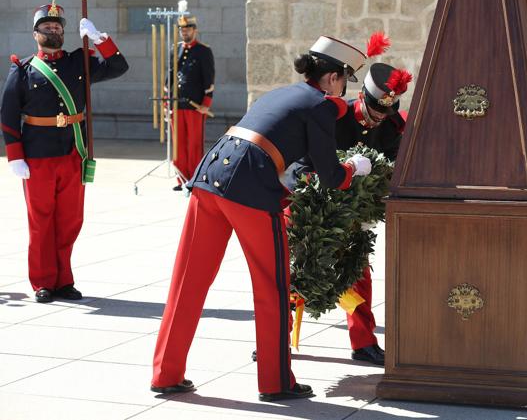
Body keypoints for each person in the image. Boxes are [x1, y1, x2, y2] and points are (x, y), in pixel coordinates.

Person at [151, 35, 373, 402]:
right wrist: (354, 167)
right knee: (273, 287)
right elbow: (331, 175)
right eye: (343, 79)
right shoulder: (321, 105)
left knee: (188, 280)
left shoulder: (280, 93)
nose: (341, 89)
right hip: (251, 185)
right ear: (332, 77)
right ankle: (275, 382)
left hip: (210, 174)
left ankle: (165, 373)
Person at [0, 0, 129, 303]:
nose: (52, 30)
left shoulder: (78, 62)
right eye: (46, 26)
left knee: (70, 221)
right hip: (38, 156)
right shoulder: (23, 70)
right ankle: (43, 281)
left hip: (73, 153)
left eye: (56, 26)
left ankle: (64, 280)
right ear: (36, 34)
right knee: (41, 223)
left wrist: (101, 40)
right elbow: (7, 113)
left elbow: (118, 67)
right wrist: (15, 156)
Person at [286, 62, 412, 366]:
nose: (380, 117)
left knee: (358, 272)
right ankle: (276, 338)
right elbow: (304, 162)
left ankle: (363, 342)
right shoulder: (335, 117)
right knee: (297, 272)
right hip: (314, 200)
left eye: (387, 112)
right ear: (361, 96)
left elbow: (391, 166)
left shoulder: (391, 126)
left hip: (355, 209)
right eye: (374, 109)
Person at [170, 0, 215, 191]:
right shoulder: (176, 49)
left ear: (194, 30)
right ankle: (182, 178)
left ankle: (194, 179)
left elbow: (209, 80)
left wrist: (206, 103)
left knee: (194, 144)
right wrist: (167, 104)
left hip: (196, 105)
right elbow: (170, 76)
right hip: (177, 105)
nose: (184, 32)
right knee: (178, 145)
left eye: (188, 29)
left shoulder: (204, 51)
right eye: (182, 30)